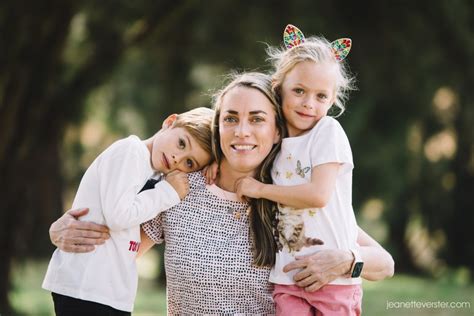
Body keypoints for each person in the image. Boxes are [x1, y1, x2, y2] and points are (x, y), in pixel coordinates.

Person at [49, 73, 394, 314]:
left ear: (276, 132)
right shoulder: (180, 188)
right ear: (219, 126)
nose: (242, 131)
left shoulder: (290, 197)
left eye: (257, 119)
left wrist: (348, 260)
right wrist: (59, 231)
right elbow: (121, 243)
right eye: (231, 118)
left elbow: (385, 264)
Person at [231, 25, 367, 315]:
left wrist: (260, 190)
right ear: (279, 87)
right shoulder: (275, 142)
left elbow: (319, 195)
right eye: (299, 91)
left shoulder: (327, 132)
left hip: (335, 281)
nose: (309, 104)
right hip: (287, 278)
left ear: (332, 100)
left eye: (321, 96)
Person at [42, 107, 214, 315]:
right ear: (169, 122)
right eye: (181, 143)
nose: (178, 158)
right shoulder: (130, 152)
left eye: (189, 162)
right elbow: (119, 216)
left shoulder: (153, 174)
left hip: (109, 291)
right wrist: (168, 192)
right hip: (85, 285)